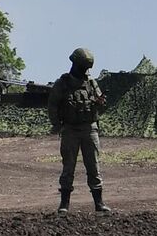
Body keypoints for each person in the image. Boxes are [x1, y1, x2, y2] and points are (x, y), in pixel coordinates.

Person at [47, 47, 110, 215]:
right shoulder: (63, 83)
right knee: (68, 167)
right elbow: (52, 105)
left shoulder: (91, 83)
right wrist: (57, 125)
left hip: (89, 128)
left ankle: (99, 203)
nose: (84, 70)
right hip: (70, 129)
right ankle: (64, 204)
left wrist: (99, 103)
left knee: (94, 167)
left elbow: (99, 106)